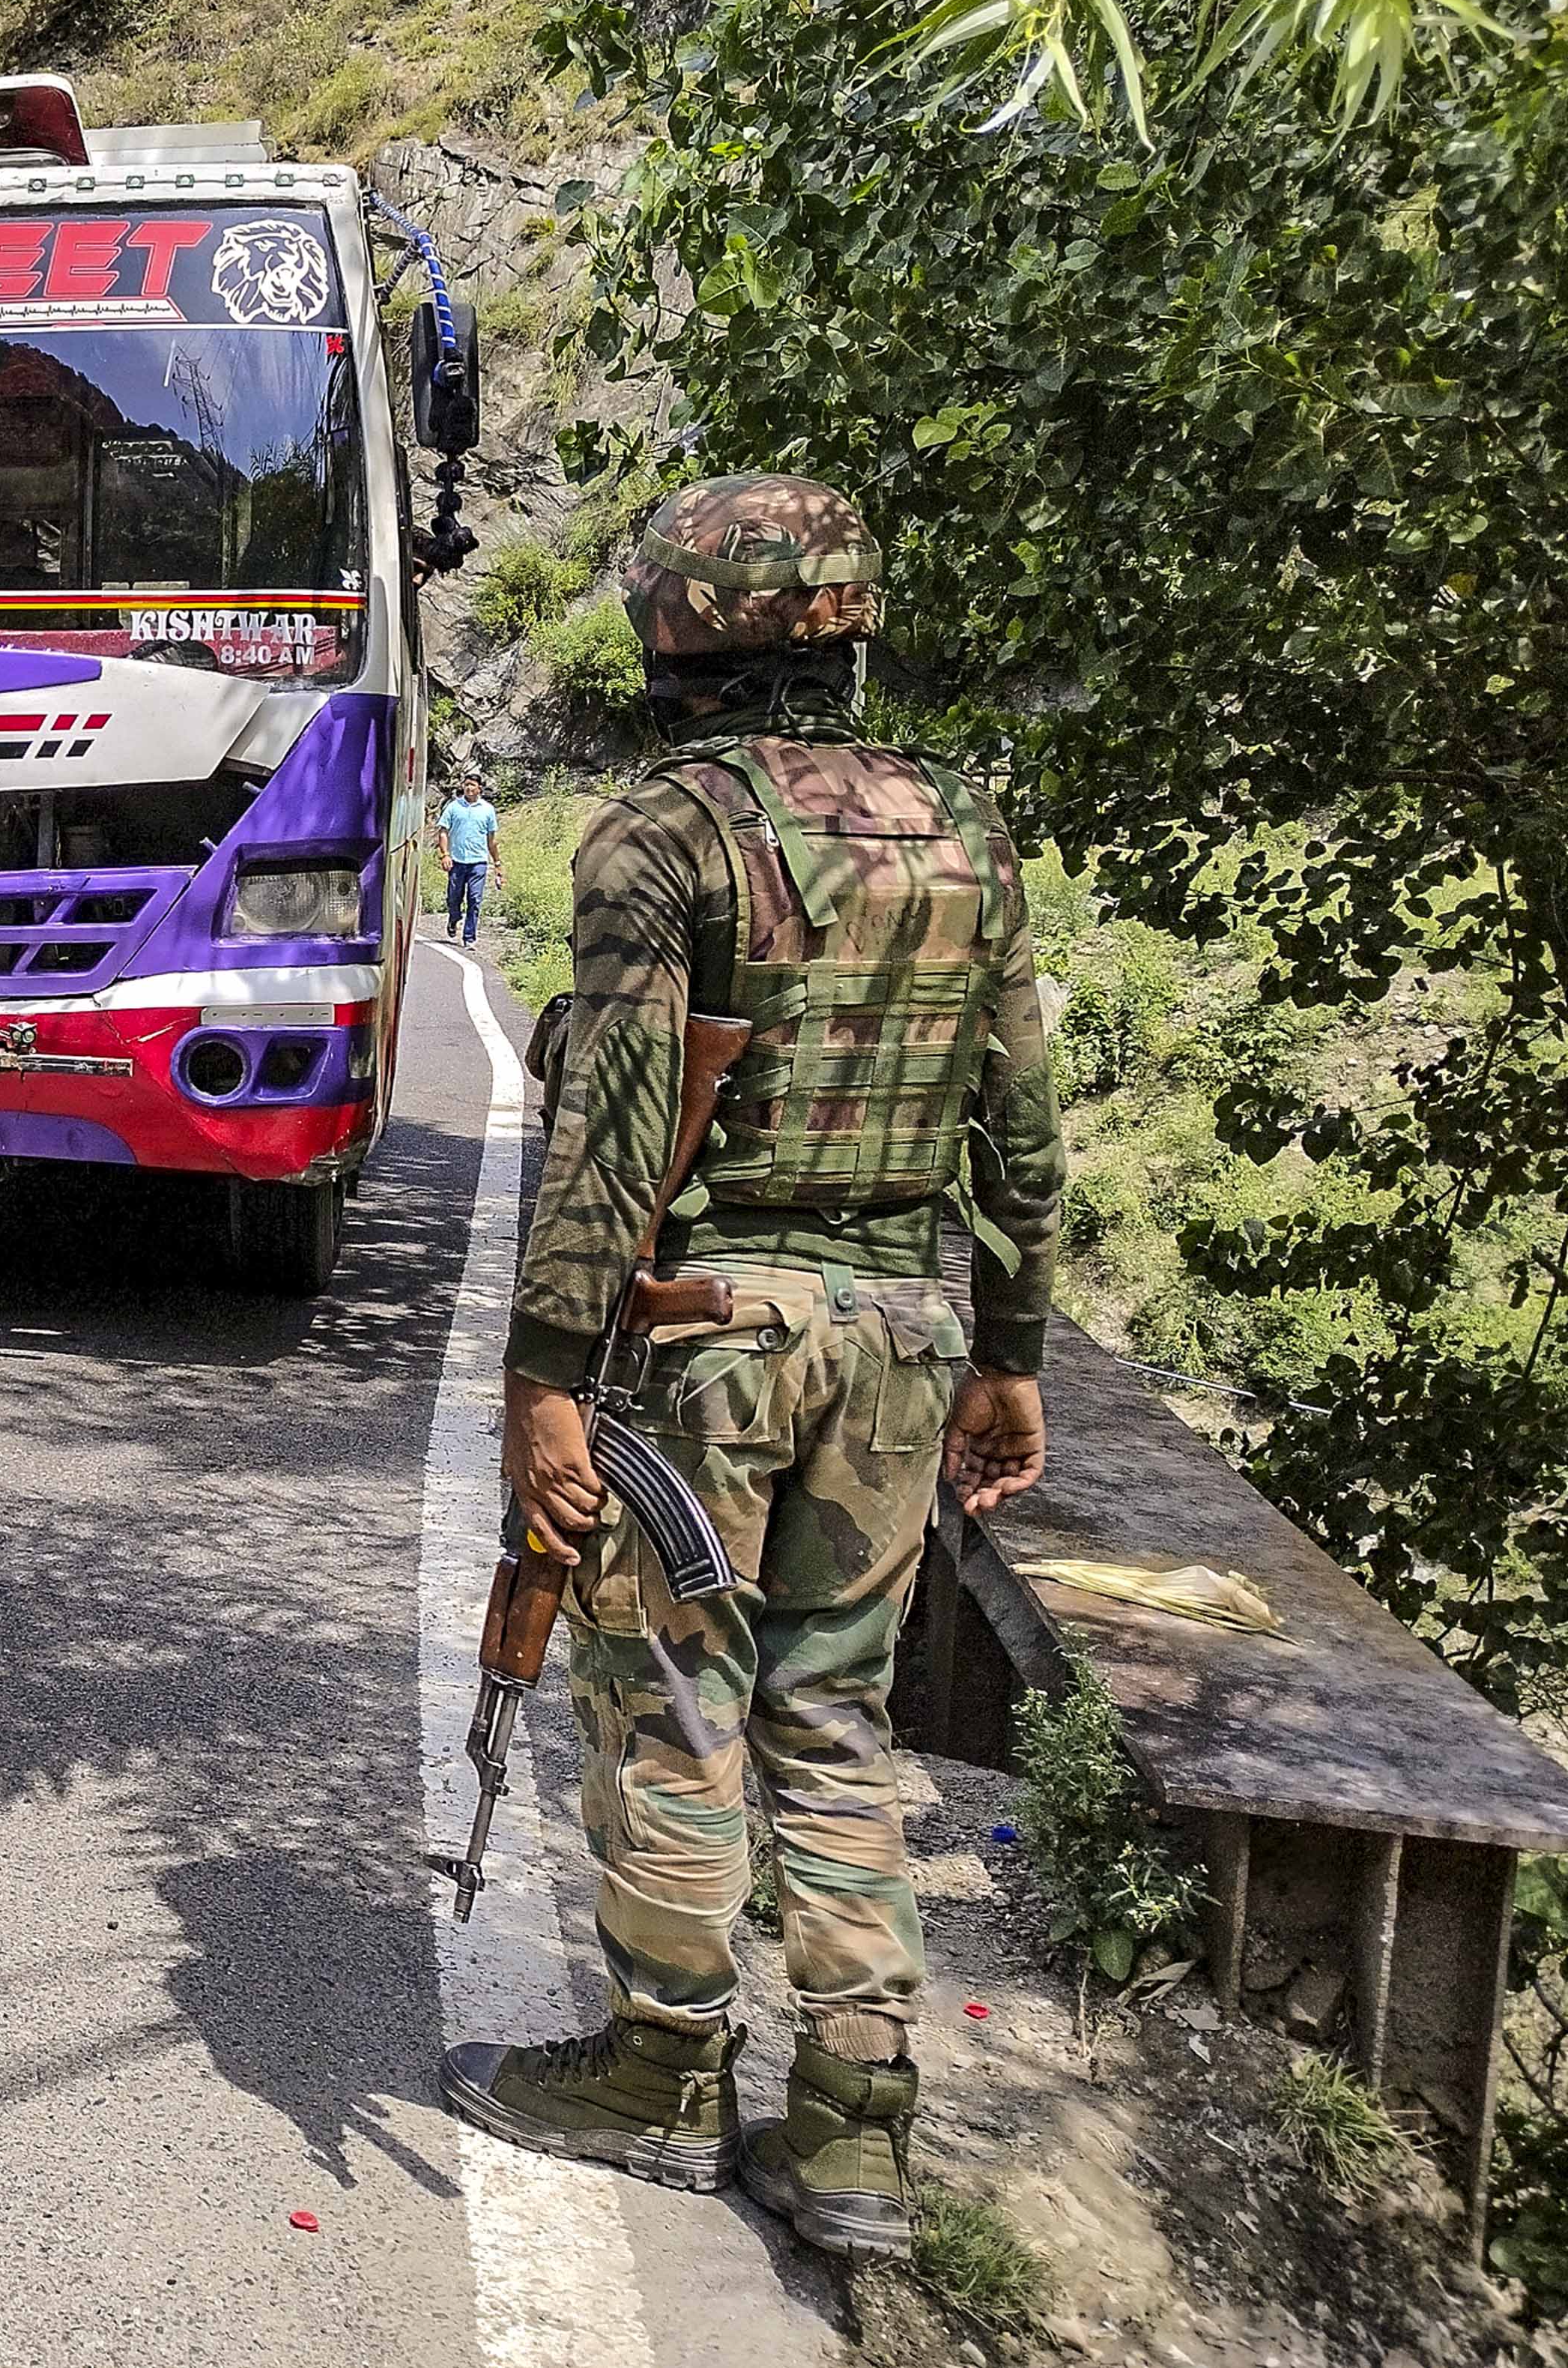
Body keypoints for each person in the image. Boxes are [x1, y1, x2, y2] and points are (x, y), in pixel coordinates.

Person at [436, 474, 1065, 2261]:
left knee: (670, 1701)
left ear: (673, 634)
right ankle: (857, 2129)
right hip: (895, 1335)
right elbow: (1018, 1128)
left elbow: (613, 1137)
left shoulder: (663, 833)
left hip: (712, 1345)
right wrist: (1003, 1359)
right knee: (828, 1710)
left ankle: (660, 2072)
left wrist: (541, 1376)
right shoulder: (968, 830)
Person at [438, 776, 500, 942]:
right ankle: (453, 919)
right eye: (466, 785)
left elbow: (492, 840)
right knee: (454, 898)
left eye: (472, 785)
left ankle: (469, 937)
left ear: (480, 788)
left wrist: (498, 863)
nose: (469, 788)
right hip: (457, 861)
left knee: (475, 899)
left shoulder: (488, 810)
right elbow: (443, 832)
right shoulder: (453, 807)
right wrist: (445, 855)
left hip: (478, 863)